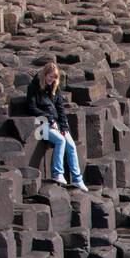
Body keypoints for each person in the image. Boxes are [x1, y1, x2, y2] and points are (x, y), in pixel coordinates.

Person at [26, 61, 87, 191]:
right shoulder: (34, 87)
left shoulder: (55, 88)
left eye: (54, 77)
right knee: (60, 140)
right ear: (44, 75)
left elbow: (61, 109)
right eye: (50, 76)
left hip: (57, 123)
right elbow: (31, 107)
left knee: (71, 145)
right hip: (41, 124)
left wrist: (64, 127)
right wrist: (49, 118)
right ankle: (57, 173)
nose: (51, 79)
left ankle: (77, 179)